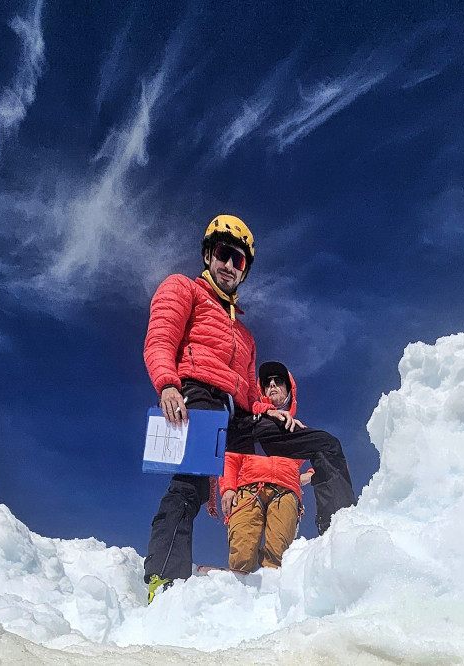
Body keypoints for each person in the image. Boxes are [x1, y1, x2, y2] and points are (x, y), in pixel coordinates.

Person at [141, 214, 357, 602]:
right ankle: (164, 579)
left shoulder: (245, 334)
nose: (229, 266)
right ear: (208, 255)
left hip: (240, 416)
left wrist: (266, 410)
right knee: (188, 487)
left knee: (324, 445)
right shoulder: (183, 289)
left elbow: (246, 389)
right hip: (197, 395)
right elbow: (160, 338)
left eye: (238, 261)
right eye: (224, 255)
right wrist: (168, 385)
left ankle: (340, 544)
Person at [220, 361, 310, 573]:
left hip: (286, 493)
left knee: (278, 557)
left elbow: (330, 458)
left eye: (278, 381)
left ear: (289, 390)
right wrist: (228, 488)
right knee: (242, 551)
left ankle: (270, 599)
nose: (272, 385)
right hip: (248, 489)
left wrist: (308, 476)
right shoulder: (250, 424)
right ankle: (238, 595)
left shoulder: (298, 430)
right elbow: (231, 457)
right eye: (267, 383)